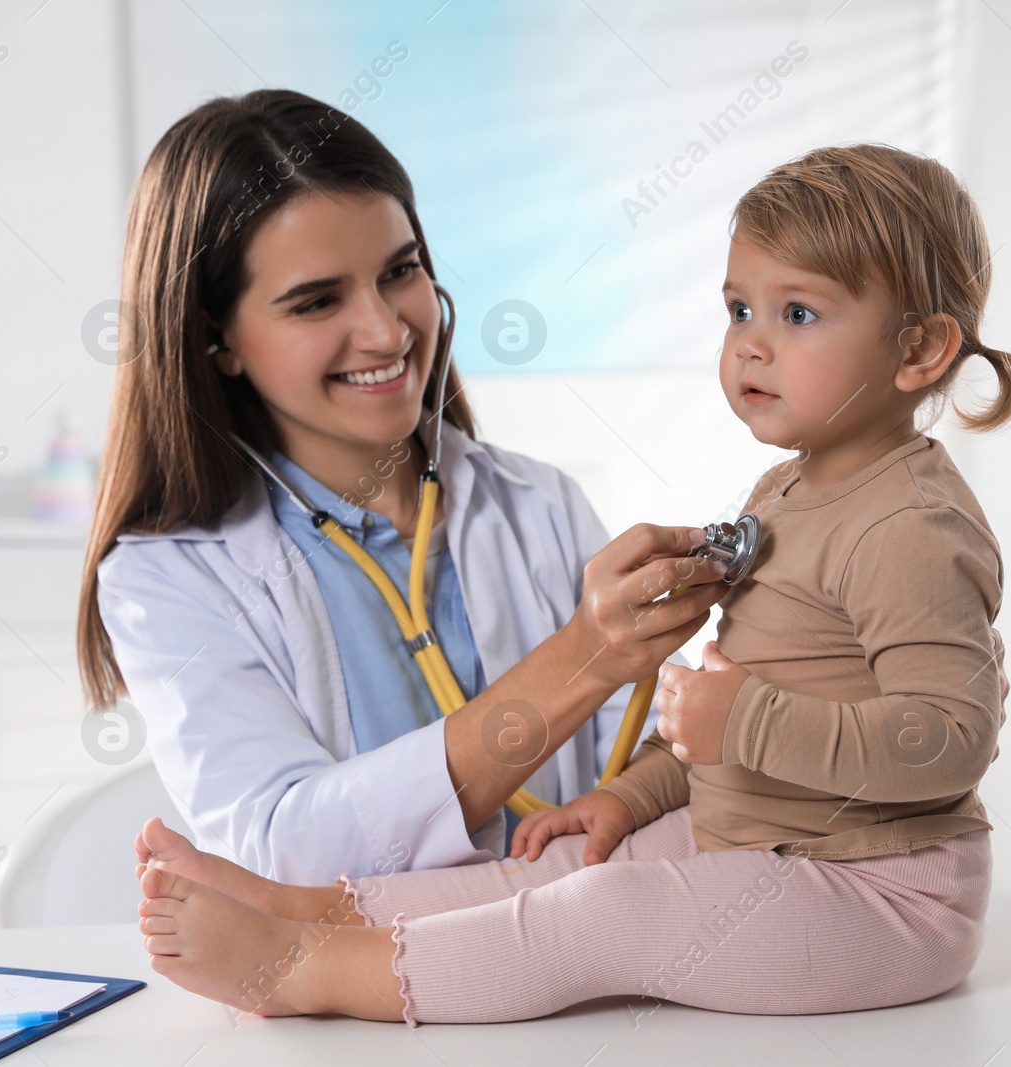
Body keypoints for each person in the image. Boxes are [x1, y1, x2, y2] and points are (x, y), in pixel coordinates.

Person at [134, 143, 1011, 1024]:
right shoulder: (788, 495)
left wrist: (736, 717)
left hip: (878, 886)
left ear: (919, 350)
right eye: (737, 310)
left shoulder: (911, 526)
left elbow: (944, 737)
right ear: (217, 339)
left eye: (796, 315)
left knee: (600, 909)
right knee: (565, 868)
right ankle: (309, 914)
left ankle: (312, 971)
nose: (750, 347)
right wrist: (623, 793)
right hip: (765, 843)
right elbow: (710, 734)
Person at [78, 89, 728, 885]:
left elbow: (660, 768)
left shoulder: (539, 505)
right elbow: (289, 848)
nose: (386, 331)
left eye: (401, 272)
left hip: (577, 981)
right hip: (357, 1001)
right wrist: (581, 659)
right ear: (217, 338)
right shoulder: (167, 574)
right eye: (317, 301)